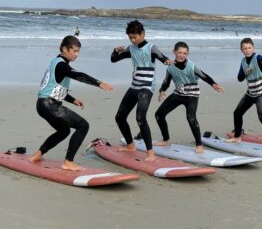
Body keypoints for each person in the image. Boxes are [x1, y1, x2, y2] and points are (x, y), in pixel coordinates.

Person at [29, 35, 114, 171]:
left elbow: (55, 88)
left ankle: (37, 155)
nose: (77, 54)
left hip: (42, 104)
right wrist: (98, 83)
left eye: (78, 51)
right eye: (74, 51)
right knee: (83, 125)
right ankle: (68, 162)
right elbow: (78, 75)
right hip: (50, 105)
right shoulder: (62, 65)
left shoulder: (56, 63)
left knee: (63, 131)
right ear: (64, 49)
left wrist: (73, 100)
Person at [110, 20, 172, 162]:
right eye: (130, 37)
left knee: (140, 118)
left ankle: (150, 153)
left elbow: (162, 57)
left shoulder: (151, 48)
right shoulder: (131, 48)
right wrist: (115, 51)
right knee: (120, 117)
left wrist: (167, 61)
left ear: (143, 34)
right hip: (134, 86)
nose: (132, 40)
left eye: (135, 37)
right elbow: (114, 60)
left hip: (146, 87)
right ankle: (131, 145)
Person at [154, 42, 224, 153]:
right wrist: (162, 90)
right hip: (178, 94)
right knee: (159, 114)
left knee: (191, 117)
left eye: (185, 53)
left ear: (187, 54)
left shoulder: (191, 66)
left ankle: (199, 145)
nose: (182, 55)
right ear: (174, 52)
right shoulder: (170, 67)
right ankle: (166, 140)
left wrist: (213, 84)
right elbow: (166, 81)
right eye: (179, 52)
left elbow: (203, 75)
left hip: (192, 95)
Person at [225, 38, 262, 152]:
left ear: (253, 48)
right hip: (251, 93)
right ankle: (237, 137)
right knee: (237, 113)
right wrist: (246, 73)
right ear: (241, 50)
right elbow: (240, 78)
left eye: (249, 48)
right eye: (245, 48)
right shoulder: (243, 62)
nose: (247, 50)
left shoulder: (257, 57)